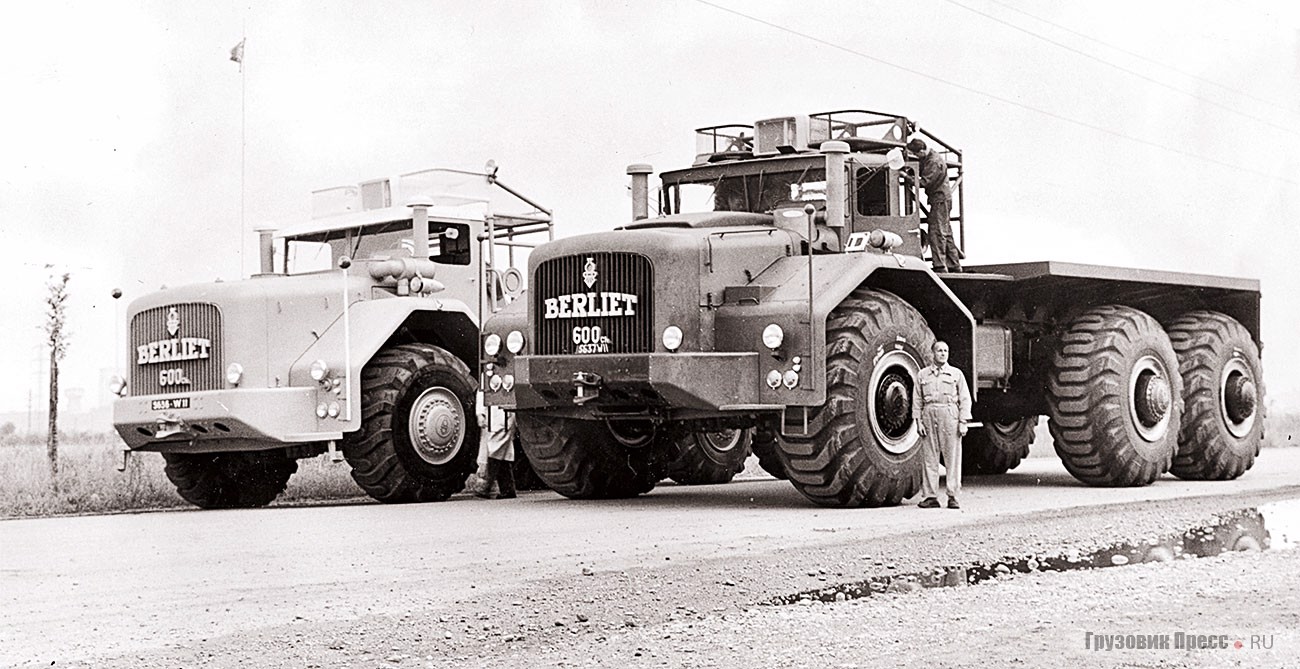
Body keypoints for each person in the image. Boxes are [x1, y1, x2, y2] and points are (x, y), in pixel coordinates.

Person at [911, 340, 972, 509]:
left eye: (946, 350)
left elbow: (965, 399)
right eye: (939, 350)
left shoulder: (956, 374)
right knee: (930, 458)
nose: (943, 353)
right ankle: (931, 497)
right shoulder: (922, 375)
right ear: (933, 353)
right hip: (929, 415)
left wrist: (963, 422)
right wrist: (918, 421)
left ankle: (953, 496)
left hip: (949, 414)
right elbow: (917, 399)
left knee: (952, 458)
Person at [906, 138, 961, 272]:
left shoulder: (934, 162)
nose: (916, 157)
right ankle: (954, 265)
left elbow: (925, 182)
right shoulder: (930, 158)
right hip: (941, 199)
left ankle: (940, 266)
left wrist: (907, 177)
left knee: (936, 232)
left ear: (922, 151)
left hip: (940, 200)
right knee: (945, 232)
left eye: (916, 154)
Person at [474, 393, 517, 499]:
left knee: (496, 449)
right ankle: (507, 489)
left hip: (504, 416)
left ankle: (486, 485)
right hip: (492, 416)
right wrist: (480, 414)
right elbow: (482, 392)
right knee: (502, 453)